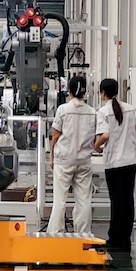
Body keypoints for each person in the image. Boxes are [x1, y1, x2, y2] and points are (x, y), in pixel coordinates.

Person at [95, 78, 136, 253]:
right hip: (129, 162)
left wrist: (96, 147)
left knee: (116, 201)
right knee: (127, 200)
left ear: (103, 92)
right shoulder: (130, 109)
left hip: (113, 163)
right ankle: (125, 238)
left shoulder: (103, 111)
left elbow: (105, 135)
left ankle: (115, 238)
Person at [47, 76, 97, 235]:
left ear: (69, 90)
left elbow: (55, 136)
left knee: (60, 200)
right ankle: (83, 233)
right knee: (84, 200)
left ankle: (56, 233)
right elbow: (95, 137)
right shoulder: (92, 112)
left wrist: (51, 156)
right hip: (83, 161)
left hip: (64, 160)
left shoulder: (62, 110)